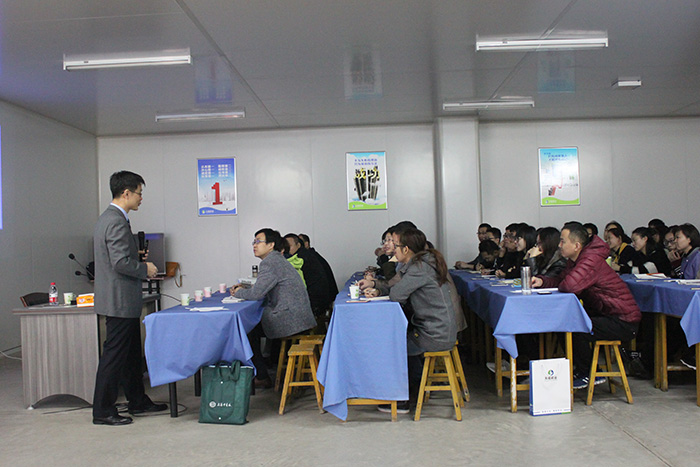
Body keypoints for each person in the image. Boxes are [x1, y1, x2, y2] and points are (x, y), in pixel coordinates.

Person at [92, 171, 165, 426]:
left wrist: (136, 258)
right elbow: (120, 262)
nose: (141, 198)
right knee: (114, 357)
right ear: (126, 193)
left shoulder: (112, 218)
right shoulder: (115, 221)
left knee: (131, 354)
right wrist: (145, 268)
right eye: (139, 193)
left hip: (124, 300)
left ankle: (137, 401)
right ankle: (102, 410)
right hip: (119, 300)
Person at [532, 221, 641, 389]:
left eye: (563, 241)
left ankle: (589, 372)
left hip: (623, 320)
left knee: (575, 326)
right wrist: (542, 281)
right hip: (605, 314)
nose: (559, 245)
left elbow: (569, 286)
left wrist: (560, 282)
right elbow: (561, 280)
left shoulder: (590, 261)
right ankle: (583, 369)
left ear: (576, 246)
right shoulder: (576, 260)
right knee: (562, 324)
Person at [374, 228, 457, 414]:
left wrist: (384, 288)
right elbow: (395, 286)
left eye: (395, 246)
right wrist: (377, 288)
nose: (393, 249)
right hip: (436, 328)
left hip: (435, 332)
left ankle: (405, 398)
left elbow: (396, 294)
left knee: (395, 347)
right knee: (401, 342)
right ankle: (412, 390)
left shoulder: (419, 268)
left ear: (406, 249)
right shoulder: (420, 264)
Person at [232, 229, 317, 388]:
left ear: (271, 245)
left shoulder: (270, 263)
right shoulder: (277, 260)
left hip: (290, 319)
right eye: (254, 242)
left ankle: (261, 375)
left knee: (246, 327)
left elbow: (257, 294)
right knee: (251, 325)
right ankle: (264, 367)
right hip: (299, 316)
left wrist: (238, 292)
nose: (254, 245)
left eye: (258, 241)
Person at [284, 233, 332, 317]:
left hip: (314, 304)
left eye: (289, 247)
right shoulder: (309, 254)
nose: (286, 250)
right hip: (322, 301)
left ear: (298, 245)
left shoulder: (299, 260)